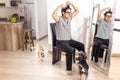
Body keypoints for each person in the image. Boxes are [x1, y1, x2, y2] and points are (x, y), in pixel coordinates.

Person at [52, 1, 88, 75]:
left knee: (81, 45)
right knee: (70, 50)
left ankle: (82, 64)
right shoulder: (59, 19)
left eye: (69, 12)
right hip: (60, 42)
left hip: (69, 40)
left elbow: (77, 10)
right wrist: (59, 6)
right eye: (68, 12)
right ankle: (68, 69)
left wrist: (71, 3)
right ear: (63, 13)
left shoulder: (69, 18)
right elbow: (53, 15)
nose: (69, 14)